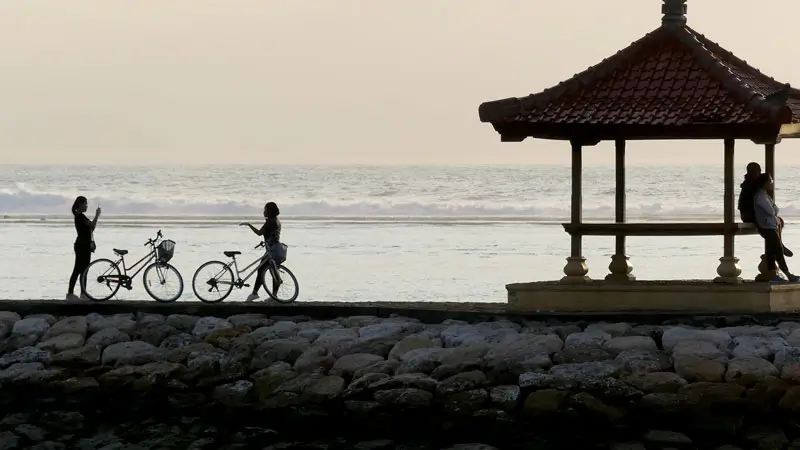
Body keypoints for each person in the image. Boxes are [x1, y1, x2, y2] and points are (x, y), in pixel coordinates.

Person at [738, 162, 792, 257]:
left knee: (779, 221)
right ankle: (779, 245)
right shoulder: (750, 184)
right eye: (756, 172)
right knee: (773, 222)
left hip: (754, 213)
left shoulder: (753, 183)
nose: (757, 174)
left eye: (758, 172)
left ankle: (779, 243)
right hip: (749, 214)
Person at [753, 174, 800, 282]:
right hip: (766, 226)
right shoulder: (761, 196)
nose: (771, 183)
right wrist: (774, 208)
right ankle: (788, 274)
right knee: (778, 250)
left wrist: (774, 209)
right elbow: (772, 211)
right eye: (770, 181)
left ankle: (773, 274)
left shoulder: (765, 196)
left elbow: (774, 210)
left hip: (770, 225)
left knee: (771, 251)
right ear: (764, 183)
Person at [239, 202, 282, 301]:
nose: (264, 212)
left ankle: (256, 294)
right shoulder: (276, 220)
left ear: (270, 211)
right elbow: (273, 235)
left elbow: (259, 233)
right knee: (272, 272)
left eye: (265, 210)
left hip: (271, 251)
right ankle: (270, 295)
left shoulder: (270, 221)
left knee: (265, 271)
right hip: (275, 249)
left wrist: (249, 225)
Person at [67, 196, 101, 300]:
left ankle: (82, 293)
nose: (86, 206)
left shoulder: (80, 216)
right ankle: (71, 293)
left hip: (83, 245)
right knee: (79, 269)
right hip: (82, 245)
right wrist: (97, 216)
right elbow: (92, 227)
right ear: (80, 205)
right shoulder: (80, 217)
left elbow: (90, 229)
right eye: (85, 204)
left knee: (83, 270)